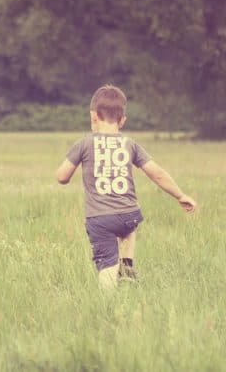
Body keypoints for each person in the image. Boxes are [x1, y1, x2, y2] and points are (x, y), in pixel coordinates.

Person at [56, 84, 197, 292]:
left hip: (100, 219)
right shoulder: (130, 144)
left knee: (107, 266)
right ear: (122, 120)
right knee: (128, 225)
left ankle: (108, 302)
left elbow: (62, 177)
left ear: (93, 116)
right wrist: (180, 195)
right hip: (129, 215)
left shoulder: (84, 144)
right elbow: (157, 174)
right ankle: (127, 265)